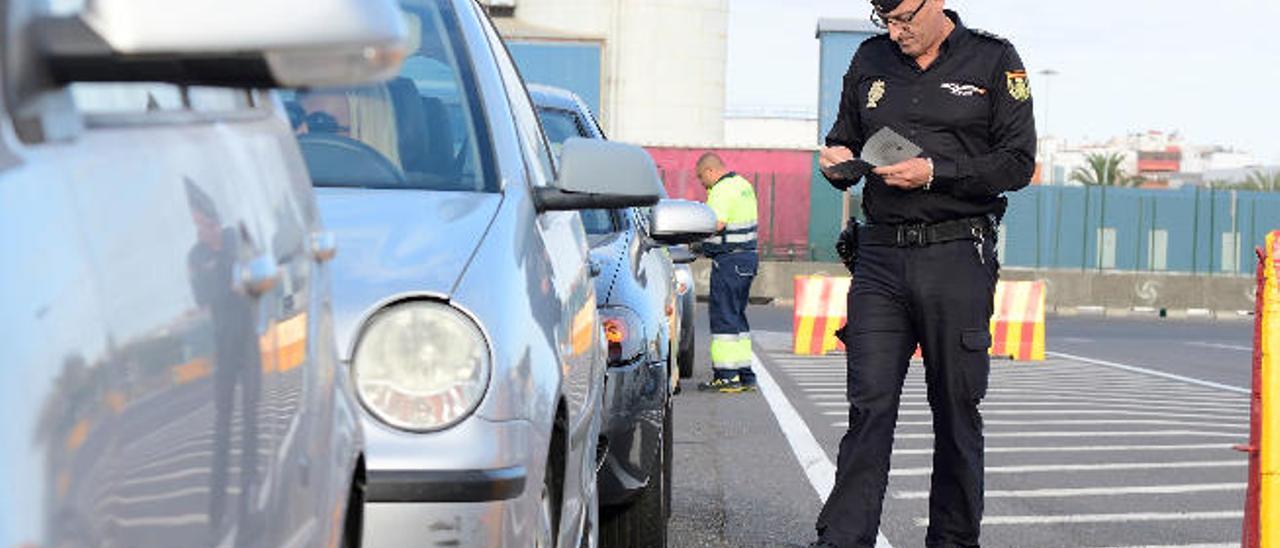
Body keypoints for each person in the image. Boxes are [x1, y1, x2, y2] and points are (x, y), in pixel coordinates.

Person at [810, 0, 1036, 547]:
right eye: (884, 19)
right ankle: (842, 540)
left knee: (956, 408)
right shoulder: (869, 59)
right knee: (869, 406)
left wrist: (938, 172)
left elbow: (1017, 163)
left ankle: (953, 542)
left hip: (957, 252)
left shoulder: (993, 60)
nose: (896, 30)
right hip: (881, 258)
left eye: (905, 17)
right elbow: (843, 134)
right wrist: (836, 159)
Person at [693, 153, 760, 393]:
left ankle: (727, 375)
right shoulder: (743, 185)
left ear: (710, 171)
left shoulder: (721, 190)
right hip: (747, 258)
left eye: (701, 178)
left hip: (729, 260)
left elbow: (716, 223)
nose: (702, 184)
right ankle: (745, 375)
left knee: (724, 317)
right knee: (738, 318)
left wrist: (693, 238)